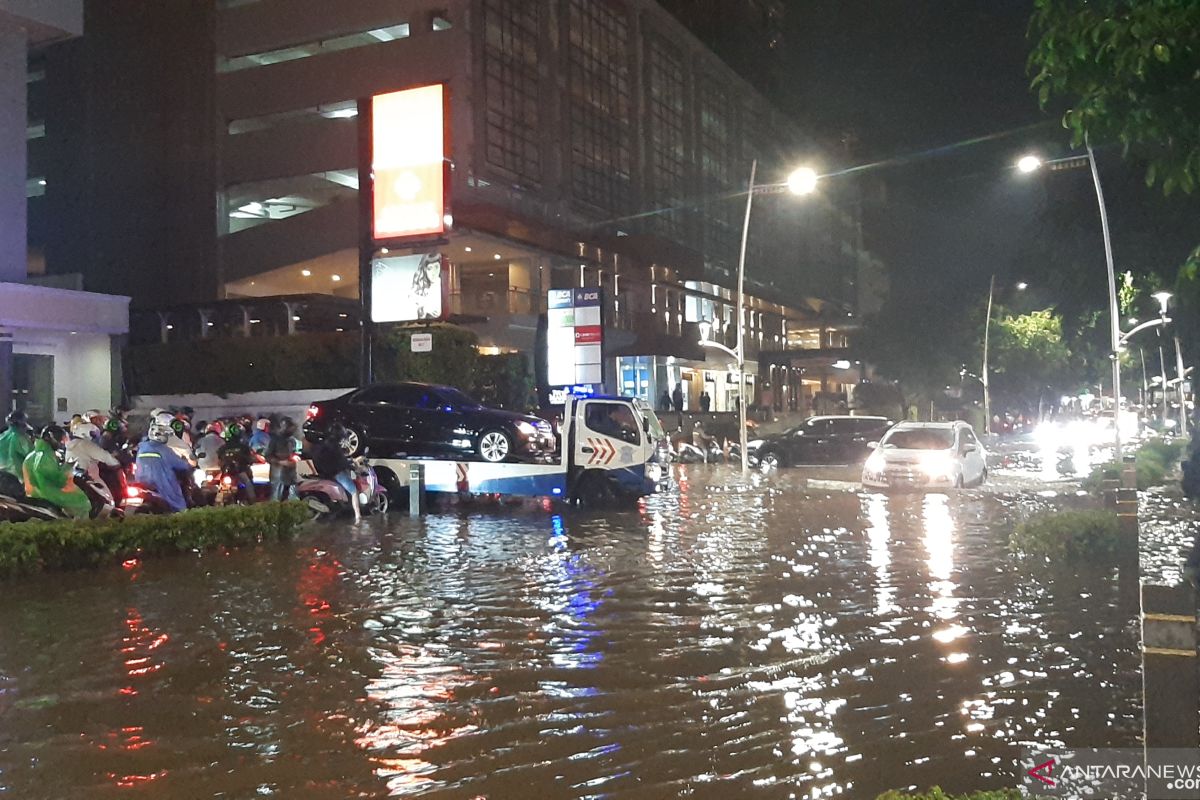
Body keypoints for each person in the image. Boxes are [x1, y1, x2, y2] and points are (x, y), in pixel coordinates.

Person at [23, 425, 91, 519]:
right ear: (52, 438)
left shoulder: (34, 454)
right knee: (83, 502)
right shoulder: (45, 456)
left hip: (34, 492)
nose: (62, 443)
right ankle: (79, 529)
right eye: (61, 440)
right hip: (48, 493)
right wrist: (68, 466)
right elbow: (58, 481)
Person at [134, 419, 194, 513]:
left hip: (142, 482)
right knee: (179, 506)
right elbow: (181, 465)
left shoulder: (142, 447)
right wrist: (188, 465)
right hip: (162, 484)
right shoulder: (164, 450)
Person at [310, 423, 361, 522]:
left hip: (324, 472)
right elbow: (342, 462)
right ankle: (358, 516)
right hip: (336, 473)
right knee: (354, 491)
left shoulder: (324, 444)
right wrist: (352, 466)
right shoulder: (335, 447)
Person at [216, 424, 256, 505]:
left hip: (226, 473)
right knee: (248, 484)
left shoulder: (222, 448)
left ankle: (216, 502)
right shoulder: (244, 447)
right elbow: (250, 460)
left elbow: (218, 461)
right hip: (239, 472)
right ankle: (253, 502)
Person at [0, 410, 34, 497]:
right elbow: (32, 456)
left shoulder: (2, 436)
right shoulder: (20, 438)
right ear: (22, 424)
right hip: (16, 479)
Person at [266, 416, 300, 502]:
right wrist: (281, 462)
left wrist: (295, 457)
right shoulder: (275, 440)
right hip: (278, 475)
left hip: (291, 474)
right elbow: (268, 456)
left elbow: (295, 452)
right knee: (277, 498)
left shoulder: (292, 440)